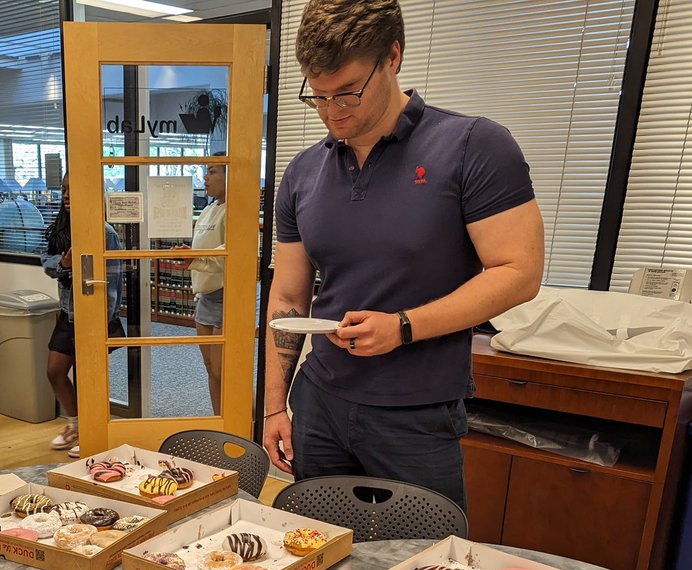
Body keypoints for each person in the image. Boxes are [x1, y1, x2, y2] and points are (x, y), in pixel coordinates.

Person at [263, 0, 544, 511]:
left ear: (392, 56)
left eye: (347, 92)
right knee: (315, 555)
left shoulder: (473, 146)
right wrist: (272, 407)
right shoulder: (303, 172)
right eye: (318, 97)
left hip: (416, 415)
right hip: (318, 402)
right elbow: (287, 295)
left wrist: (404, 326)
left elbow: (519, 273)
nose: (332, 112)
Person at [40, 175, 123, 458]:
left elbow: (112, 282)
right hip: (68, 311)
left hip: (92, 314)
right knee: (55, 371)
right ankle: (75, 424)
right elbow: (47, 264)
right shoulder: (63, 229)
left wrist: (102, 321)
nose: (66, 195)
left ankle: (92, 434)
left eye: (73, 189)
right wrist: (63, 264)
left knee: (89, 378)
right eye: (64, 189)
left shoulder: (105, 232)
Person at [175, 160, 226, 414]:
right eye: (206, 171)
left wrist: (196, 256)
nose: (205, 177)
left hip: (226, 297)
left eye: (213, 171)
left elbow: (230, 252)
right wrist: (192, 255)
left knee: (222, 371)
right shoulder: (208, 210)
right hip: (204, 296)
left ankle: (246, 421)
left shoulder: (236, 211)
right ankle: (219, 421)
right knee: (210, 369)